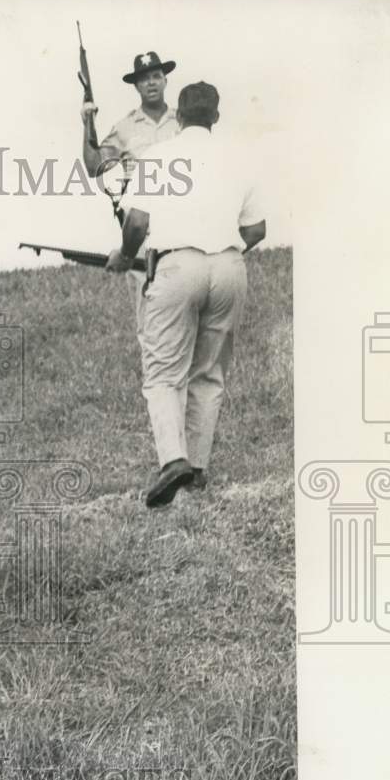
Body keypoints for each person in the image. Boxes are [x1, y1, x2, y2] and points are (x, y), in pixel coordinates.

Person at [106, 82, 267, 507]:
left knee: (163, 372)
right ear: (215, 117)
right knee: (209, 371)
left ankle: (172, 460)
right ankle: (196, 468)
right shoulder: (240, 158)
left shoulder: (158, 156)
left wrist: (124, 256)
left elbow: (137, 224)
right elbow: (256, 230)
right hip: (230, 266)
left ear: (178, 116)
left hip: (178, 264)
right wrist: (222, 249)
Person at [81, 51, 181, 346]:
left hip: (183, 222)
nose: (151, 83)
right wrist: (87, 122)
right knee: (148, 311)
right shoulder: (124, 128)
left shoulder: (183, 120)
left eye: (156, 76)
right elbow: (93, 165)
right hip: (141, 227)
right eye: (144, 79)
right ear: (136, 87)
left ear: (165, 80)